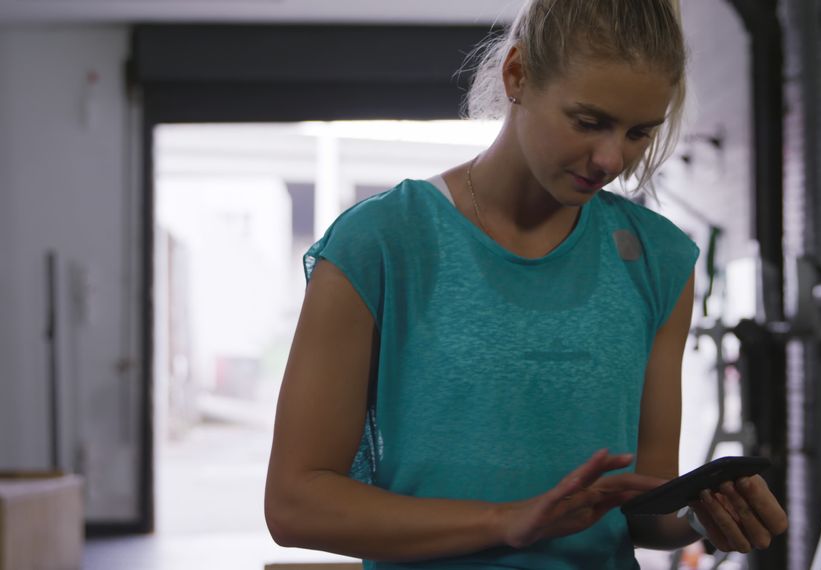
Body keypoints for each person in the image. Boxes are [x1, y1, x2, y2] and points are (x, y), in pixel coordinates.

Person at [264, 0, 788, 568]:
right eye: (588, 122)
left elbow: (645, 510)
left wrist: (700, 516)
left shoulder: (657, 259)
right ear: (518, 75)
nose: (612, 158)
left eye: (639, 132)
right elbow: (296, 504)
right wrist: (505, 523)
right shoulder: (383, 241)